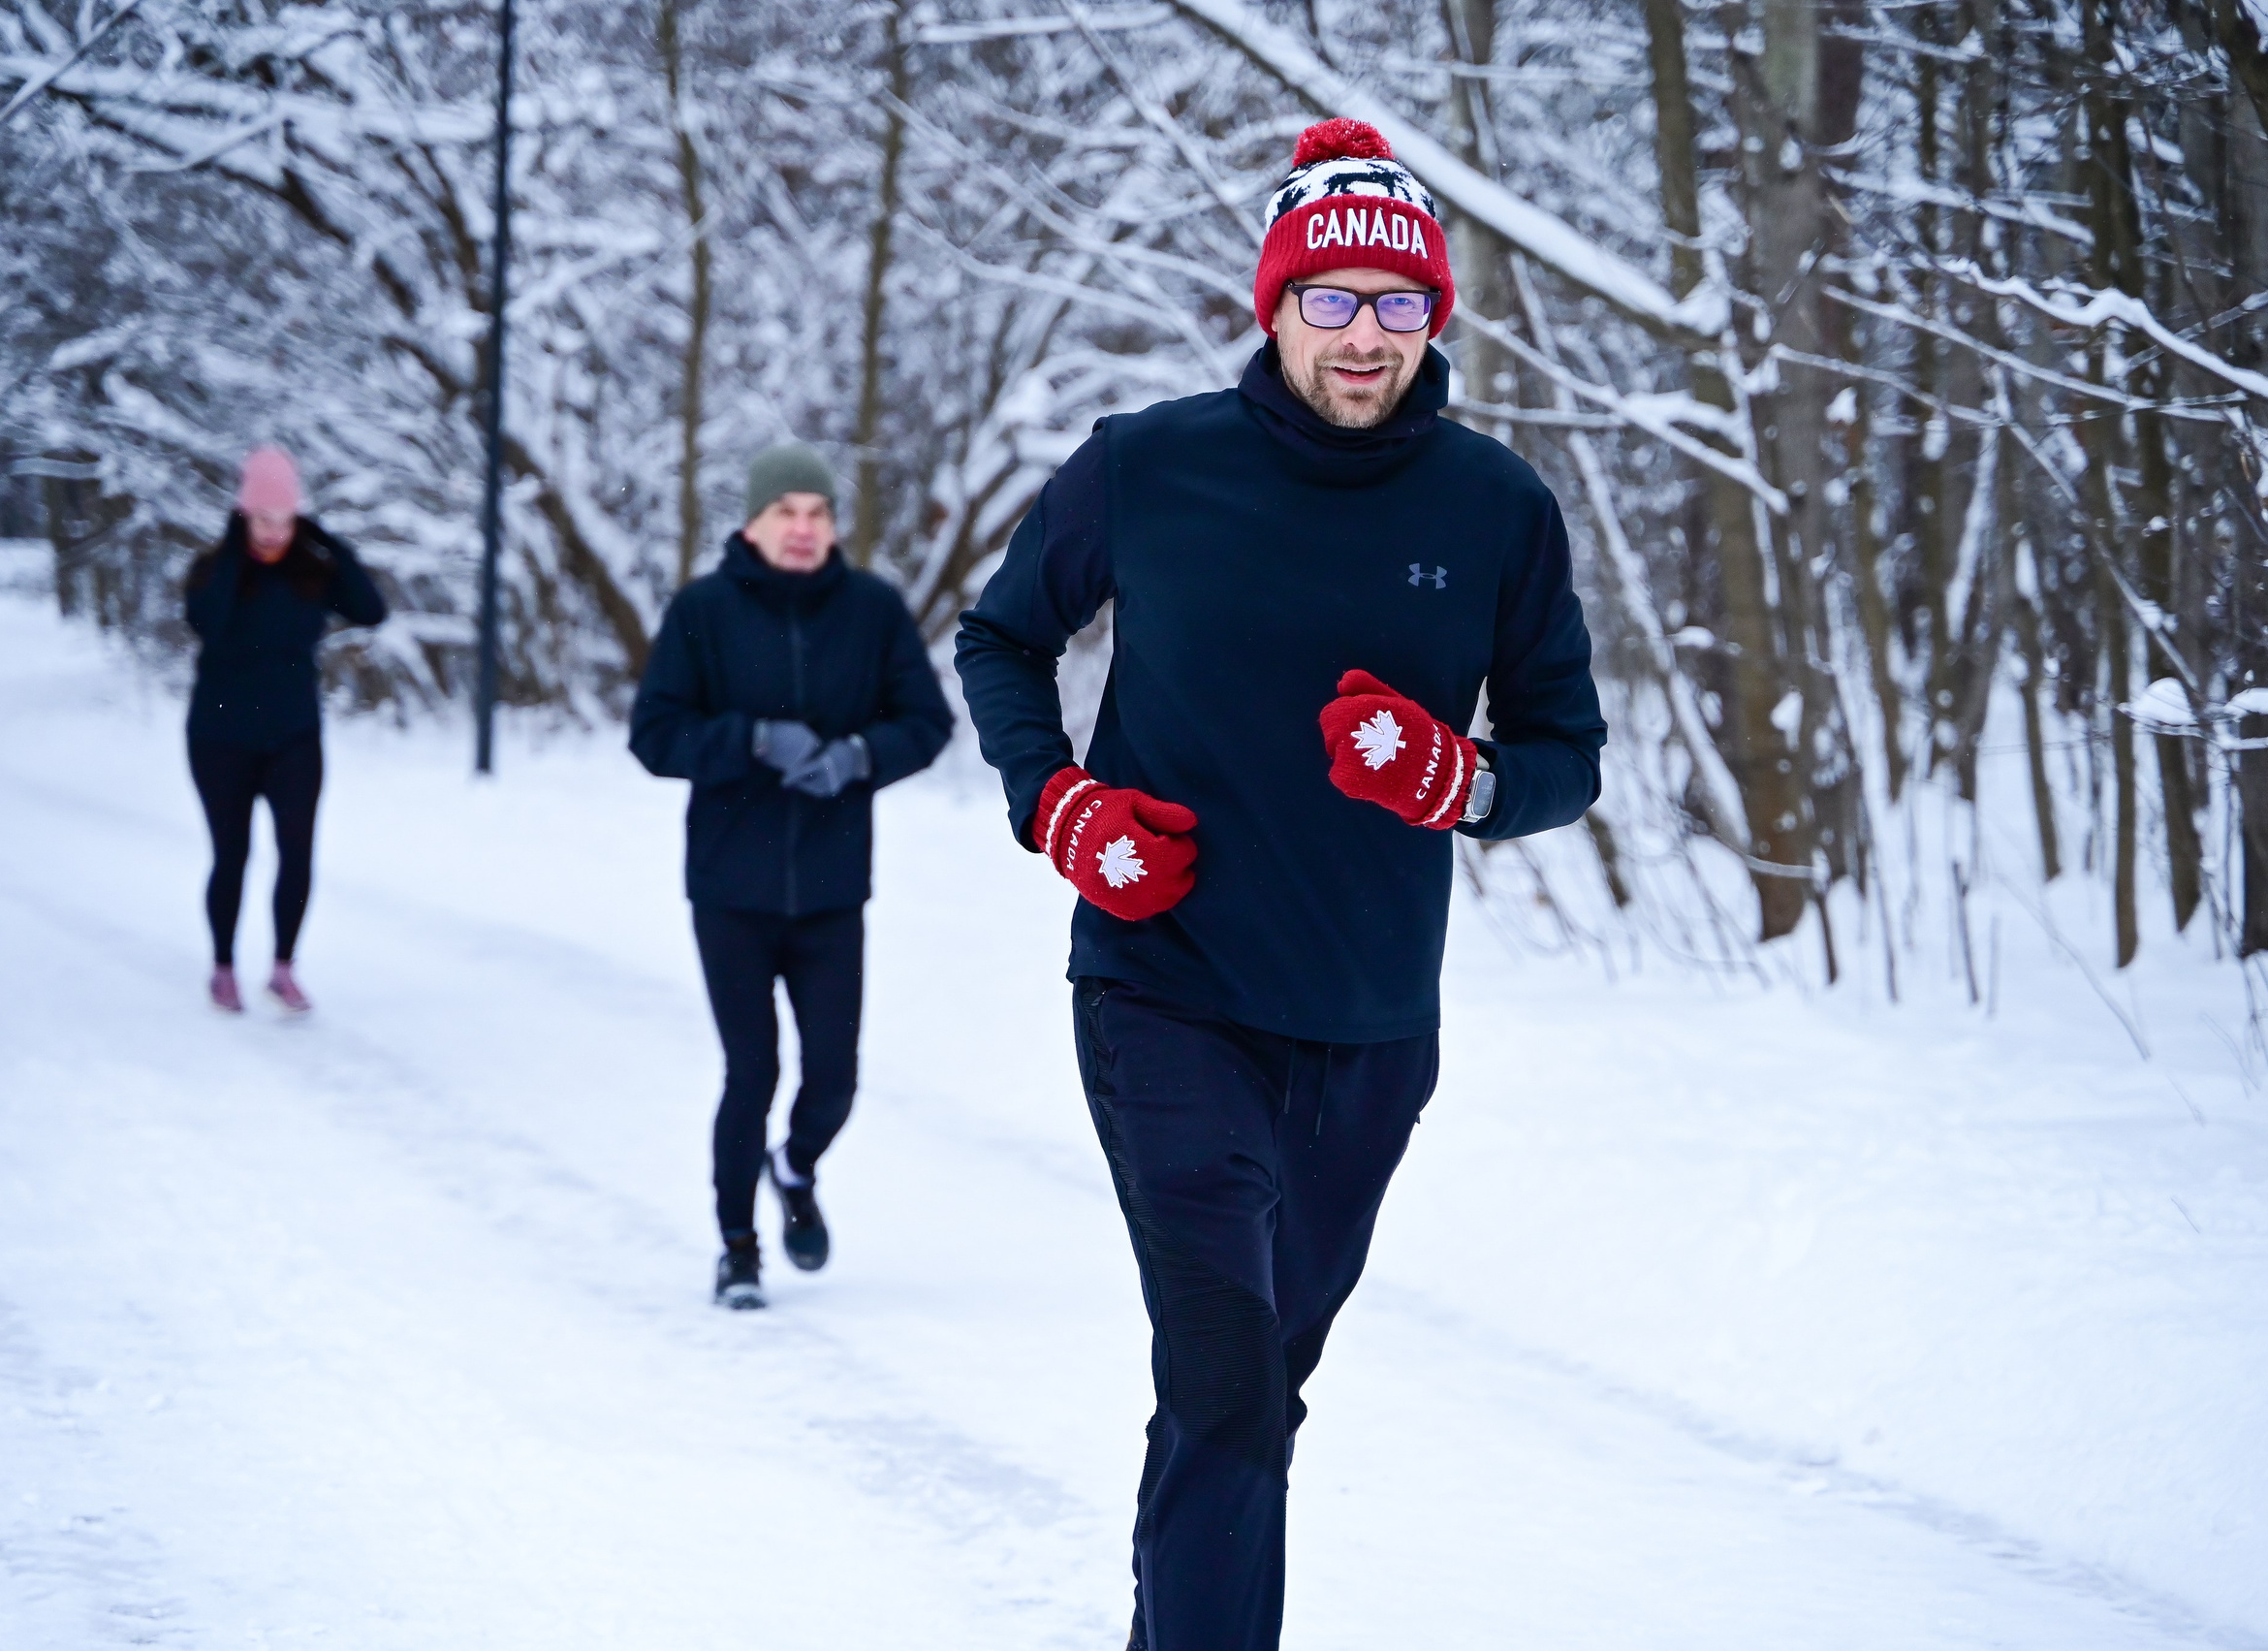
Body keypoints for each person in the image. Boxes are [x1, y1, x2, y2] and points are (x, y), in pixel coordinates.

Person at [954, 118, 1606, 1651]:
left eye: (1396, 302)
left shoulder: (1496, 506)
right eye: (1331, 298)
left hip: (1375, 1024)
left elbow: (1567, 753)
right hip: (1161, 985)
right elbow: (1000, 637)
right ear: (1276, 303)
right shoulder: (1147, 465)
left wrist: (1467, 781)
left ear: (1433, 314)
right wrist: (1059, 807)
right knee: (1229, 1372)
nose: (1363, 333)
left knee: (1249, 1391)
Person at [629, 442, 954, 1310]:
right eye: (787, 512)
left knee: (834, 1078)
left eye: (818, 513)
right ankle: (738, 1247)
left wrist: (857, 756)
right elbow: (654, 735)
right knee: (752, 1071)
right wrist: (747, 740)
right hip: (729, 890)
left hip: (832, 889)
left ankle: (795, 1165)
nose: (804, 528)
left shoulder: (873, 610)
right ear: (753, 523)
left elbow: (926, 723)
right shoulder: (702, 610)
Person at [182, 446, 388, 1015]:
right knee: (233, 854)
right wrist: (233, 550)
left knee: (297, 853)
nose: (275, 532)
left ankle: (283, 968)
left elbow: (372, 611)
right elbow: (208, 623)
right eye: (264, 519)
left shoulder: (311, 573)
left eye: (285, 519)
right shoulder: (213, 572)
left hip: (294, 736)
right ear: (244, 514)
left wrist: (327, 541)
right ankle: (223, 966)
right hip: (220, 738)